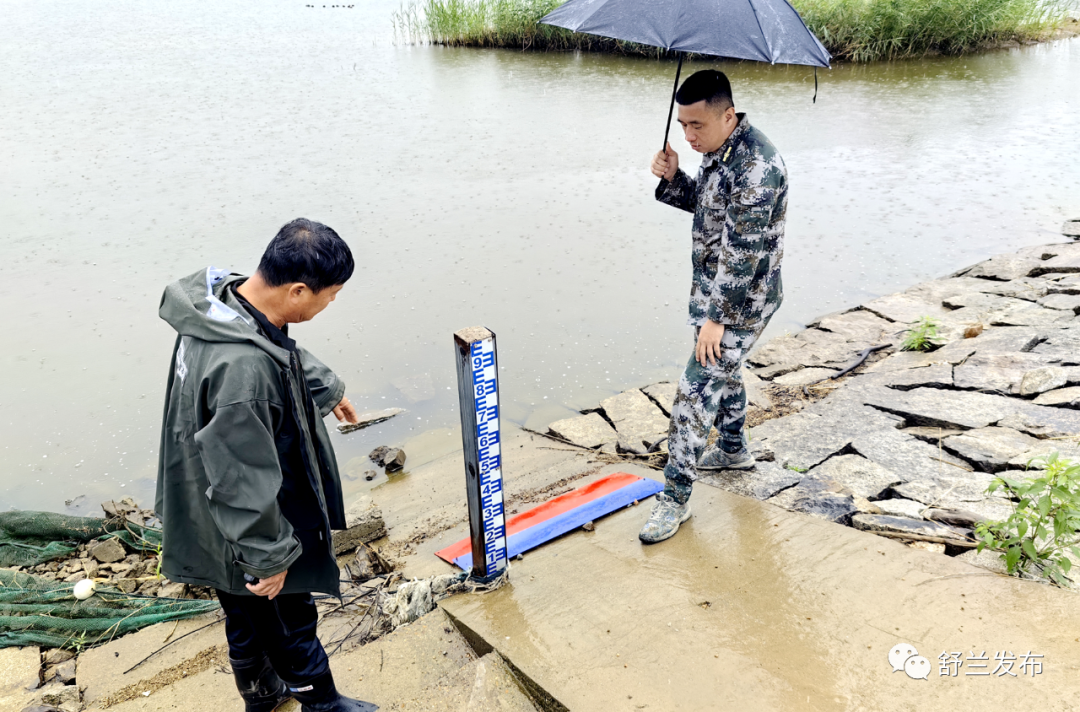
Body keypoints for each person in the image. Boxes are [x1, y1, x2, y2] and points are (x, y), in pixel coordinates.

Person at [155, 218, 377, 712]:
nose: (331, 303)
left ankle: (261, 696)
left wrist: (325, 387)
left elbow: (271, 343)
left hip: (203, 510)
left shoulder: (220, 299)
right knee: (287, 615)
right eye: (330, 295)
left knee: (242, 614)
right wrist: (268, 557)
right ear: (298, 290)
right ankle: (322, 703)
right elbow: (239, 477)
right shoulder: (241, 373)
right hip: (237, 521)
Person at [639, 70, 788, 544]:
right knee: (724, 372)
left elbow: (743, 251)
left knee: (693, 392)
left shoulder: (758, 168)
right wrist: (673, 177)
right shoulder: (718, 150)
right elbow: (708, 209)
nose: (687, 135)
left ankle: (674, 499)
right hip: (714, 292)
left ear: (728, 115)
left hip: (742, 301)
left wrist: (716, 321)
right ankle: (732, 447)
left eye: (696, 126)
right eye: (682, 125)